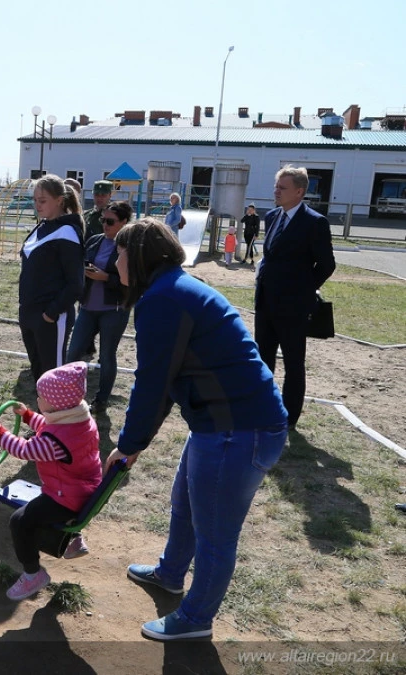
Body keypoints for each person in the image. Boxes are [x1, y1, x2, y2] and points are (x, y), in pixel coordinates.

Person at [101, 218, 287, 641]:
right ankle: (169, 573)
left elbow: (151, 382)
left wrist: (129, 444)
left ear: (140, 257)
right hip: (222, 425)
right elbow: (166, 380)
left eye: (121, 251)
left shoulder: (164, 300)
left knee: (215, 534)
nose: (115, 259)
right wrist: (135, 443)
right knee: (184, 504)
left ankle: (195, 619)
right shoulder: (170, 289)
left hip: (238, 430)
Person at [0, 362, 102, 600]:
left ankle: (32, 574)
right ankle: (73, 539)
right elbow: (49, 425)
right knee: (39, 504)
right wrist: (28, 416)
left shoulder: (55, 442)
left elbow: (25, 450)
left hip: (66, 497)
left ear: (56, 405)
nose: (38, 399)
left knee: (20, 522)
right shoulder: (80, 419)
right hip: (82, 488)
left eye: (41, 397)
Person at [255, 165, 336, 429]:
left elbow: (326, 264)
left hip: (293, 307)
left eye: (282, 187)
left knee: (293, 363)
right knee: (263, 358)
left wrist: (303, 289)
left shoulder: (315, 222)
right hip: (266, 302)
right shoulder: (272, 216)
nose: (276, 191)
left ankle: (288, 418)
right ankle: (263, 408)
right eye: (276, 186)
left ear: (299, 192)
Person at [66, 201, 133, 413]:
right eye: (103, 220)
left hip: (113, 310)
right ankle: (68, 394)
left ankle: (101, 400)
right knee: (73, 352)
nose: (105, 225)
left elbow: (131, 282)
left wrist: (105, 277)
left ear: (124, 222)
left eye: (110, 221)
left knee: (106, 356)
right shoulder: (94, 241)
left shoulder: (129, 247)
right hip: (87, 307)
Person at [19, 174, 84, 385]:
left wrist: (51, 313)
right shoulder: (41, 227)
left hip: (50, 317)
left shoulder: (67, 232)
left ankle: (57, 418)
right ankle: (44, 417)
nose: (37, 205)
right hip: (29, 313)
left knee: (53, 378)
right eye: (35, 200)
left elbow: (76, 284)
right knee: (39, 377)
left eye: (43, 200)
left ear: (59, 200)